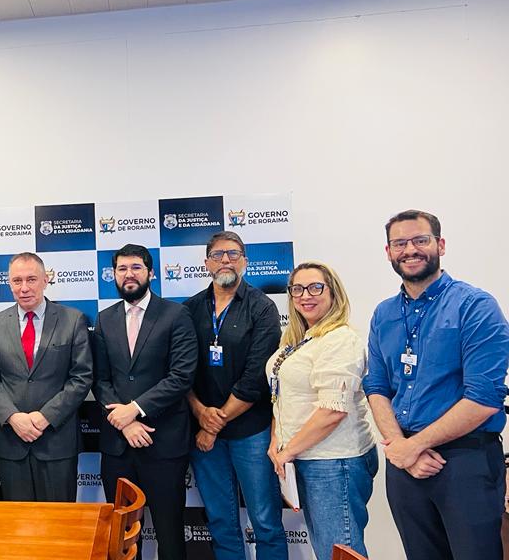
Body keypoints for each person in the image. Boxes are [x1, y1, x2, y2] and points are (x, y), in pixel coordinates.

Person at [364, 209, 509, 560]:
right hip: (404, 465)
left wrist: (414, 446)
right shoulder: (383, 314)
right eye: (399, 243)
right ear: (388, 252)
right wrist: (401, 447)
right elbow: (377, 386)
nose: (409, 250)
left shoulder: (475, 306)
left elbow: (484, 398)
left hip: (466, 463)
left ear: (440, 245)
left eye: (420, 240)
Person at [183, 231, 287, 560]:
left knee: (266, 521)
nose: (225, 260)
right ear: (206, 263)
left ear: (244, 260)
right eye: (217, 255)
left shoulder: (263, 307)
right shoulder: (189, 309)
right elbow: (180, 372)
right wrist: (201, 413)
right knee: (220, 521)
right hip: (202, 430)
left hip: (250, 431)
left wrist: (212, 425)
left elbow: (257, 376)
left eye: (232, 254)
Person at [93, 243, 198, 559]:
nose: (129, 274)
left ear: (150, 272)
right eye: (122, 269)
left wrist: (135, 410)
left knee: (169, 531)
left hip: (163, 442)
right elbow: (100, 380)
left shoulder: (176, 314)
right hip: (118, 445)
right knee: (123, 536)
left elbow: (181, 376)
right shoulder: (105, 318)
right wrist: (125, 423)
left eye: (136, 267)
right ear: (114, 274)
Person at [266, 261, 377, 559]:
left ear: (333, 293)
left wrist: (287, 452)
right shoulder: (301, 339)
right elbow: (281, 395)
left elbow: (332, 410)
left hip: (334, 462)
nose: (306, 295)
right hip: (307, 457)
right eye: (297, 289)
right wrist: (278, 441)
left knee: (339, 550)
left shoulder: (340, 339)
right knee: (327, 548)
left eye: (316, 287)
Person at [0, 252, 93, 502]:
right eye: (17, 281)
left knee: (60, 525)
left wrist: (45, 417)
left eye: (31, 279)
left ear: (46, 280)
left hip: (57, 441)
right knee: (18, 527)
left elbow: (82, 377)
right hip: (12, 442)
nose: (24, 288)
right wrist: (13, 418)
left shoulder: (72, 320)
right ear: (9, 284)